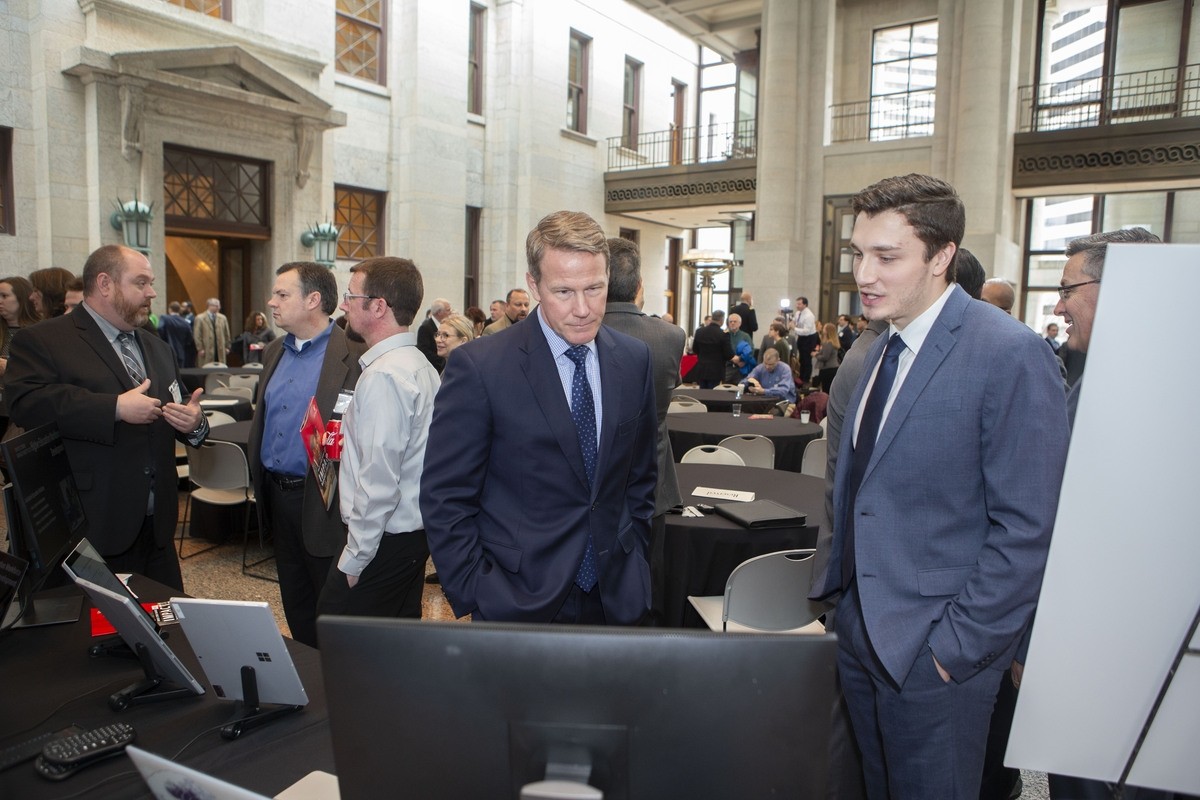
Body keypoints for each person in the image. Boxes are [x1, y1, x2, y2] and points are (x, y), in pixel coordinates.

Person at [809, 174, 1070, 798]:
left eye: (886, 257)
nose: (863, 275)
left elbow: (1030, 526)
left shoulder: (1009, 352)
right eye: (858, 254)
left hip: (938, 652)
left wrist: (954, 649)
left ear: (942, 256)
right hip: (860, 632)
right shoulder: (881, 347)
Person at [421, 210, 658, 625]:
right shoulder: (480, 366)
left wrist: (635, 554)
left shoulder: (634, 359)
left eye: (595, 288)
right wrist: (477, 590)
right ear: (533, 285)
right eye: (563, 291)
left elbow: (640, 478)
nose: (582, 308)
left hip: (616, 595)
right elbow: (445, 495)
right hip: (516, 598)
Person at [1042, 227, 1167, 800]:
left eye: (1068, 290)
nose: (1058, 307)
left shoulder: (1156, 393)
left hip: (1118, 656)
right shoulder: (1090, 372)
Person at [5, 245, 208, 590]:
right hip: (92, 525)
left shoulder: (157, 347)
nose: (152, 293)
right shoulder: (44, 339)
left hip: (157, 529)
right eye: (141, 283)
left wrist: (194, 423)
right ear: (105, 284)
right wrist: (114, 408)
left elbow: (182, 400)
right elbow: (26, 403)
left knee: (164, 618)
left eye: (151, 283)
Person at [248, 262, 364, 648]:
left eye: (282, 294)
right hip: (277, 496)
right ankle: (309, 672)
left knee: (332, 611)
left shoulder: (356, 357)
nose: (271, 302)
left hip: (326, 501)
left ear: (313, 300)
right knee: (295, 602)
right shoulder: (274, 351)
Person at [317, 257, 440, 620]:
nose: (343, 305)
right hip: (406, 537)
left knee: (338, 632)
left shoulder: (386, 375)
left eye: (351, 296)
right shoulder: (417, 364)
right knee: (394, 640)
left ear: (378, 306)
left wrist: (355, 559)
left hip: (381, 541)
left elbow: (379, 481)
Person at [602, 236, 685, 626]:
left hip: (595, 479)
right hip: (654, 480)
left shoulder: (579, 331)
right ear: (638, 286)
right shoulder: (670, 336)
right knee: (649, 581)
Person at [687, 309, 732, 389]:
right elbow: (728, 354)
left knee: (702, 393)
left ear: (712, 318)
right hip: (716, 371)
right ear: (722, 320)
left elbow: (695, 349)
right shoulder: (723, 334)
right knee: (713, 393)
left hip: (702, 369)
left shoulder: (699, 331)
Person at [416, 298, 453, 372]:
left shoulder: (447, 326)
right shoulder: (425, 328)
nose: (451, 312)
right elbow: (424, 351)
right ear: (439, 312)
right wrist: (443, 360)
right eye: (448, 310)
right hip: (434, 368)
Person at [193, 297, 231, 364]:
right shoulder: (200, 318)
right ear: (209, 306)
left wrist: (227, 346)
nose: (219, 307)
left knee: (220, 365)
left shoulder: (223, 318)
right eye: (216, 306)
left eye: (219, 306)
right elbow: (197, 335)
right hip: (206, 348)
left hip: (220, 348)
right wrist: (200, 348)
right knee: (207, 366)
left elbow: (226, 333)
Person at [157, 302, 195, 368]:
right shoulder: (185, 322)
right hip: (181, 352)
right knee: (180, 372)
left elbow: (160, 328)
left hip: (166, 350)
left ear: (170, 309)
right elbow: (190, 338)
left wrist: (162, 340)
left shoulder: (164, 318)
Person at [793, 295, 819, 383]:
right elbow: (795, 321)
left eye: (799, 304)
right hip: (801, 337)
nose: (797, 306)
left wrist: (794, 328)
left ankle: (806, 379)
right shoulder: (798, 313)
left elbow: (806, 331)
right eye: (797, 304)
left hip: (809, 338)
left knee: (806, 359)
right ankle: (801, 377)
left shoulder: (809, 315)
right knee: (801, 359)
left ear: (805, 305)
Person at [812, 322, 842, 392]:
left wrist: (816, 355)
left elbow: (825, 357)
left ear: (827, 330)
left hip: (827, 369)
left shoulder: (829, 343)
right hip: (833, 368)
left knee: (826, 389)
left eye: (824, 328)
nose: (823, 329)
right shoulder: (833, 342)